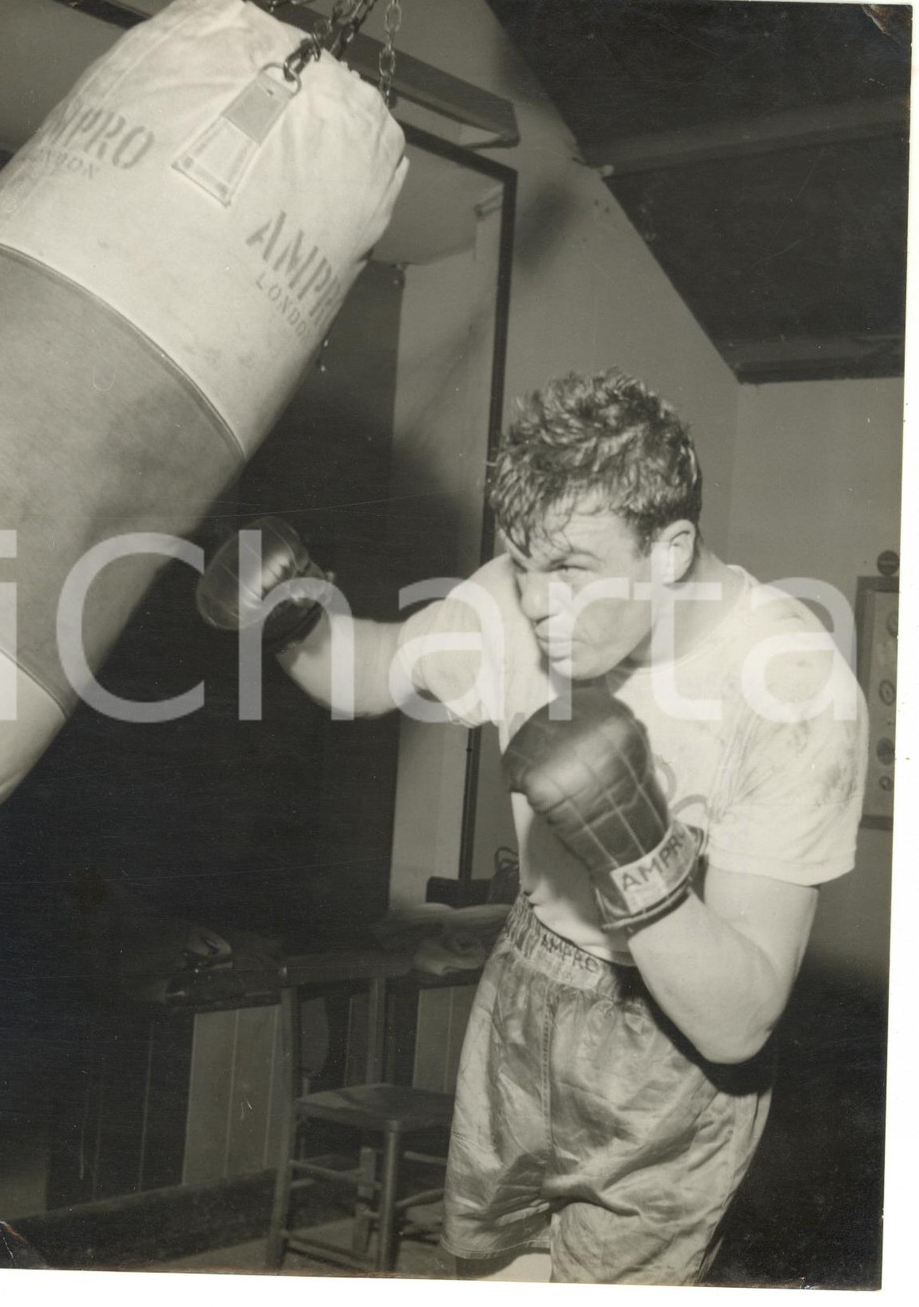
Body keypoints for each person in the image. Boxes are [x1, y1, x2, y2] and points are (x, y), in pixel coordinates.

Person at [200, 370, 867, 1285]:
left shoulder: (791, 684)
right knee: (491, 1275)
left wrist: (634, 850)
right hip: (523, 988)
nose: (540, 602)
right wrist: (289, 617)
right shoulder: (519, 598)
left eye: (571, 571)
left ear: (669, 549)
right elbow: (368, 670)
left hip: (669, 1057)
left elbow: (740, 1022)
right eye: (522, 559)